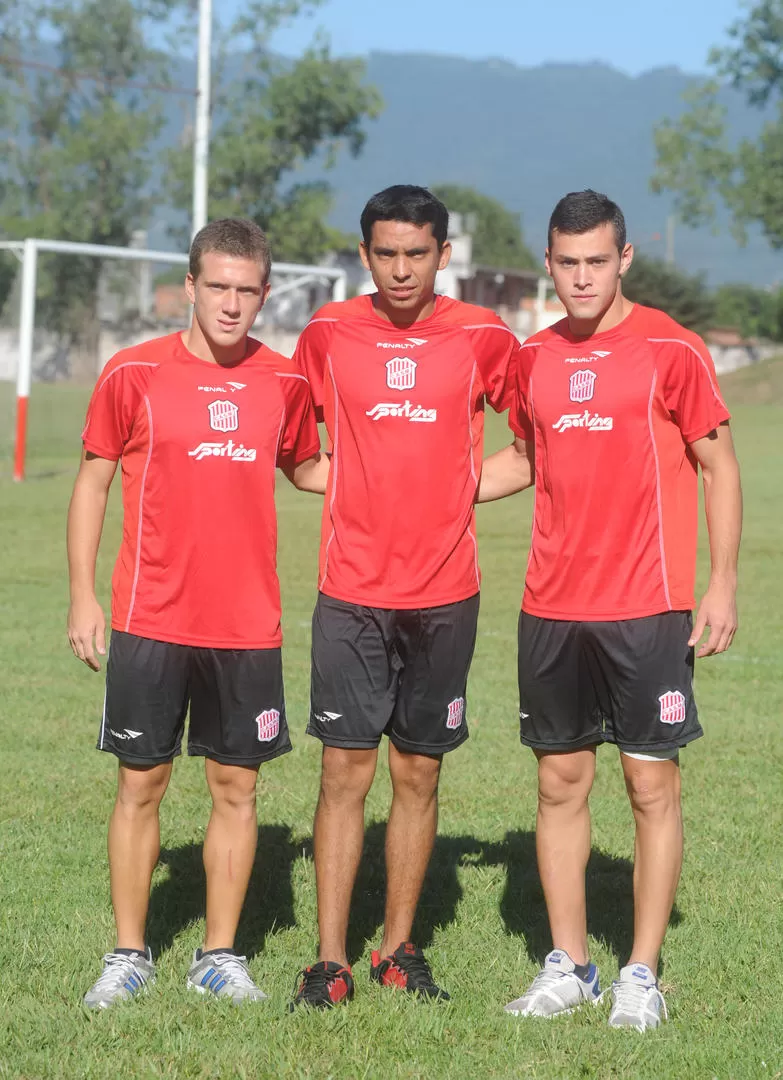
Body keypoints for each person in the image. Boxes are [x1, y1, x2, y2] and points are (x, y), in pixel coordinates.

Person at [478, 189, 742, 1031]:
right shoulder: (532, 357)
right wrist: (420, 495)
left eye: (597, 261)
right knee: (559, 782)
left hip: (645, 607)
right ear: (548, 262)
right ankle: (571, 966)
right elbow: (521, 457)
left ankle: (640, 973)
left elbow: (718, 465)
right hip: (551, 605)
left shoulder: (672, 348)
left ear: (623, 259)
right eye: (566, 263)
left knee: (648, 783)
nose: (581, 278)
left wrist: (722, 581)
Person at [67, 218, 326, 1008]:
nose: (232, 303)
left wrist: (407, 477)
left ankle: (218, 955)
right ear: (189, 286)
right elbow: (92, 483)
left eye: (248, 290)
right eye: (218, 286)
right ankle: (128, 951)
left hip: (248, 625)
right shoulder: (132, 373)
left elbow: (311, 471)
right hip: (150, 617)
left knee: (236, 791)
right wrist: (84, 595)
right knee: (140, 784)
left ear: (265, 294)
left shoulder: (285, 383)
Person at [290, 184, 522, 1007]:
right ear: (362, 255)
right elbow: (292, 445)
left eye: (415, 253)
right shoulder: (326, 333)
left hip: (444, 593)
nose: (399, 269)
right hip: (351, 590)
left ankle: (396, 948)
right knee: (343, 772)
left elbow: (534, 442)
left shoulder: (485, 336)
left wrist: (460, 492)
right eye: (384, 253)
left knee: (418, 774)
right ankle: (328, 960)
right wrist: (350, 487)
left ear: (443, 255)